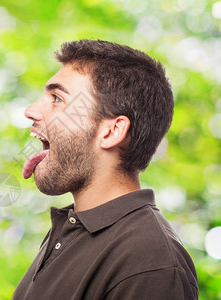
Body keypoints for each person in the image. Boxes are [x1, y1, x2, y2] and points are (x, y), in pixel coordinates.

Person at [13, 39, 198, 300]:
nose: (30, 111)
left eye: (57, 98)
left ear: (111, 131)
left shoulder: (149, 264)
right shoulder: (72, 230)